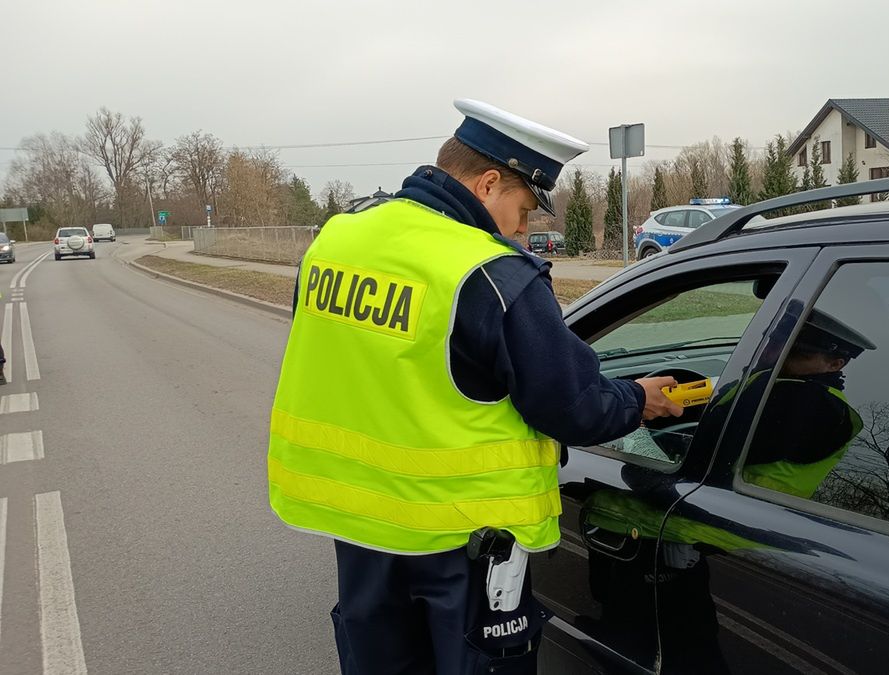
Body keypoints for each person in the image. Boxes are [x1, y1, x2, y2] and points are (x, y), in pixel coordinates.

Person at [268, 98, 683, 675]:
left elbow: (362, 359)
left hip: (361, 527)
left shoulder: (339, 239)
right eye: (524, 208)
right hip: (465, 541)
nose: (523, 228)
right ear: (488, 183)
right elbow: (573, 406)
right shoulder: (490, 271)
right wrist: (640, 399)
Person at [742, 309, 875, 499]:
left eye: (800, 354)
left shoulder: (811, 401)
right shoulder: (786, 384)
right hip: (750, 504)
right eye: (784, 348)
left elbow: (724, 444)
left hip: (745, 504)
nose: (784, 358)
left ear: (835, 365)